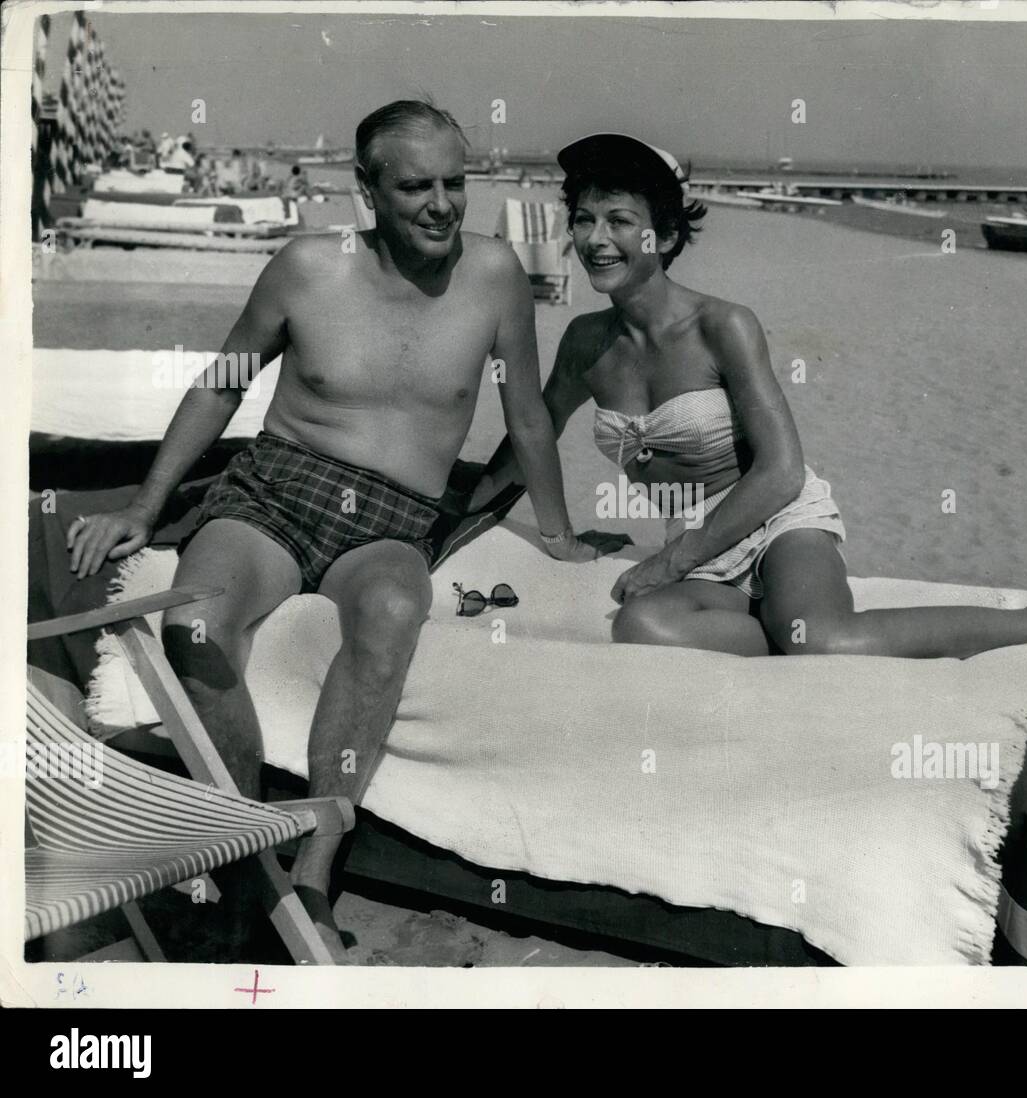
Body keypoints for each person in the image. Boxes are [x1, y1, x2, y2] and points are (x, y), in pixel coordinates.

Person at [67, 99, 618, 959]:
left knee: (395, 612)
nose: (441, 205)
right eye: (415, 187)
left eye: (454, 183)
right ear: (367, 190)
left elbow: (530, 417)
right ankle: (246, 850)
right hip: (274, 495)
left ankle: (316, 873)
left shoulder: (497, 275)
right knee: (196, 627)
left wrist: (559, 535)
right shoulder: (305, 269)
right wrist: (144, 507)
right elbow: (220, 385)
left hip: (393, 517)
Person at [474, 132, 1027, 659]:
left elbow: (780, 471)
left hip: (776, 518)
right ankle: (773, 625)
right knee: (644, 626)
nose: (597, 240)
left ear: (663, 230)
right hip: (693, 536)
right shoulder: (585, 342)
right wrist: (510, 524)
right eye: (585, 220)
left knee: (827, 642)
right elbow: (532, 426)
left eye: (619, 220)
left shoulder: (723, 326)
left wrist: (669, 562)